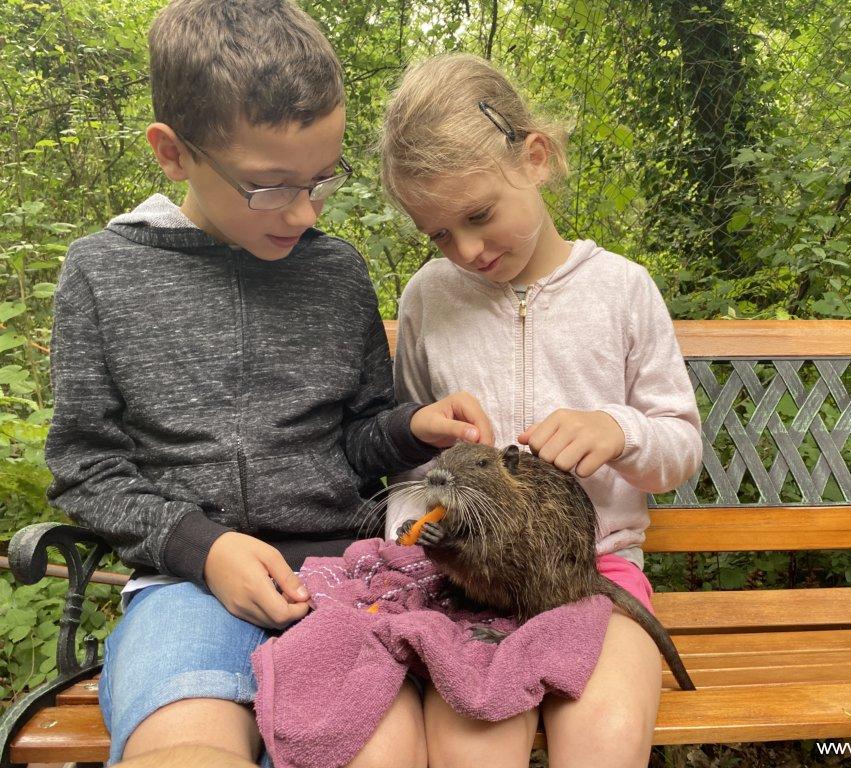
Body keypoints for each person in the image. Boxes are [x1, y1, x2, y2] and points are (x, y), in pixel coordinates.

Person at [43, 4, 490, 766]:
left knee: (382, 752)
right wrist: (203, 549)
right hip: (185, 585)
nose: (305, 210)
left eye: (321, 179)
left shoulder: (336, 271)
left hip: (342, 586)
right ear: (173, 153)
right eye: (269, 186)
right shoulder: (101, 274)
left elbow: (356, 440)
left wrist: (407, 429)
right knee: (183, 748)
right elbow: (86, 467)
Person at [378, 53, 703, 768]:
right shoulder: (428, 300)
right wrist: (416, 512)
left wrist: (617, 430)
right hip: (467, 585)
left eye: (478, 215)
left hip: (600, 575)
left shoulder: (623, 290)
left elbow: (680, 448)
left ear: (537, 157)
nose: (464, 250)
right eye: (437, 234)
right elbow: (408, 464)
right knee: (470, 749)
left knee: (606, 740)